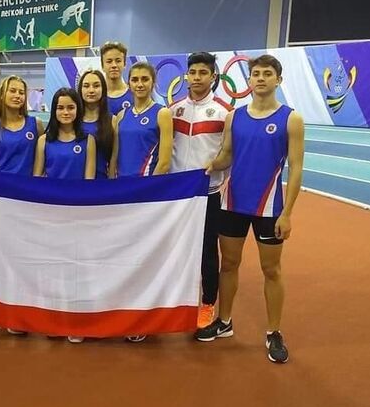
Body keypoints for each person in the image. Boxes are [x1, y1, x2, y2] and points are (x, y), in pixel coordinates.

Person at [195, 54, 305, 364]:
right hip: (232, 203)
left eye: (267, 74)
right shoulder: (235, 117)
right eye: (256, 74)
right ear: (249, 80)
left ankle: (274, 332)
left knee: (271, 270)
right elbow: (226, 155)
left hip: (270, 208)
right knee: (229, 264)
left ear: (278, 80)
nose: (260, 79)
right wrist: (206, 167)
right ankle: (224, 321)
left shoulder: (291, 119)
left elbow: (297, 168)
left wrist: (287, 213)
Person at [110, 61, 173, 342]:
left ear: (153, 82)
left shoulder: (162, 114)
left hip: (146, 195)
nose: (139, 84)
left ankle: (144, 317)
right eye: (134, 79)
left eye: (144, 79)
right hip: (122, 195)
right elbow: (115, 157)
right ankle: (123, 310)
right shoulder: (121, 117)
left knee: (144, 256)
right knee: (123, 255)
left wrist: (148, 192)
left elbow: (165, 160)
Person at [169, 52, 232, 329]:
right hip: (176, 194)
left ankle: (207, 303)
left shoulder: (224, 112)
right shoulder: (173, 110)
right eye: (192, 72)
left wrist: (216, 166)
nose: (197, 78)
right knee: (173, 249)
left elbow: (228, 153)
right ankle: (171, 300)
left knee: (207, 250)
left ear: (213, 76)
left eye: (203, 73)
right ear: (186, 76)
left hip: (208, 193)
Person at [0, 75, 43, 335]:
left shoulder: (36, 125)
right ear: (2, 95)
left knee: (30, 257)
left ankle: (32, 309)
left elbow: (42, 161)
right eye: (12, 91)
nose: (17, 96)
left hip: (30, 201)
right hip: (3, 202)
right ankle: (10, 312)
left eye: (21, 92)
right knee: (7, 258)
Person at [33, 88, 95, 343]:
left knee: (76, 268)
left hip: (78, 214)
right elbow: (37, 178)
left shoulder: (88, 141)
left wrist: (82, 210)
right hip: (51, 214)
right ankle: (55, 319)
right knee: (54, 267)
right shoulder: (43, 141)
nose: (65, 112)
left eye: (70, 107)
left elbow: (89, 179)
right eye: (60, 107)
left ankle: (76, 321)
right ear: (54, 110)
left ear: (77, 110)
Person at [77, 68, 114, 179]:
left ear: (103, 89)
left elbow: (115, 157)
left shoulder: (113, 121)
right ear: (80, 90)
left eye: (96, 86)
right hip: (75, 181)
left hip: (102, 181)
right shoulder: (72, 120)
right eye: (86, 86)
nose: (91, 90)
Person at [100, 41, 134, 116]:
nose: (114, 65)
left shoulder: (134, 94)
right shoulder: (96, 95)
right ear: (102, 66)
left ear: (124, 64)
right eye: (109, 61)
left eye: (118, 61)